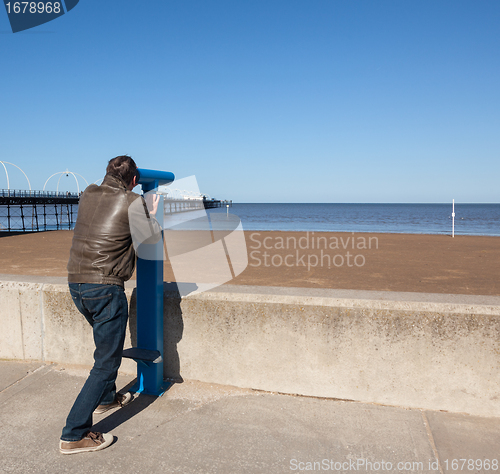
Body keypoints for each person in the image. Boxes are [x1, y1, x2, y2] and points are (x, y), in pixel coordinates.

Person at [60, 155, 160, 455]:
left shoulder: (88, 193)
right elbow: (150, 244)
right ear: (133, 181)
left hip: (76, 285)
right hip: (105, 288)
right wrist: (150, 212)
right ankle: (73, 434)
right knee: (106, 363)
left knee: (104, 349)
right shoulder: (133, 202)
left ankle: (106, 400)